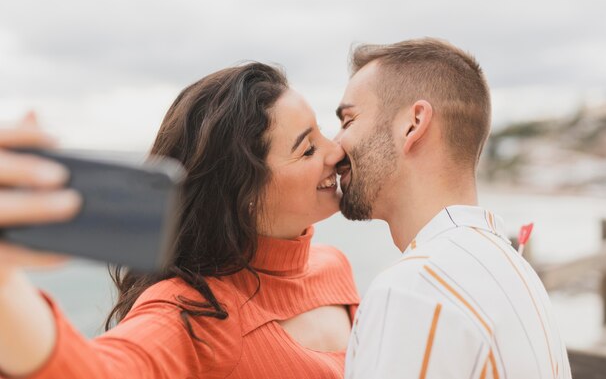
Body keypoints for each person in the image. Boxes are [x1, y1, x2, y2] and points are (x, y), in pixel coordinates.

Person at [0, 63, 360, 379]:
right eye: (308, 149)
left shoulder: (334, 266)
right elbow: (94, 370)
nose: (336, 151)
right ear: (245, 194)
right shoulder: (196, 312)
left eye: (322, 132)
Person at [335, 38, 571, 379]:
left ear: (414, 123)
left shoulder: (412, 291)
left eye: (348, 120)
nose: (334, 145)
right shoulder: (515, 271)